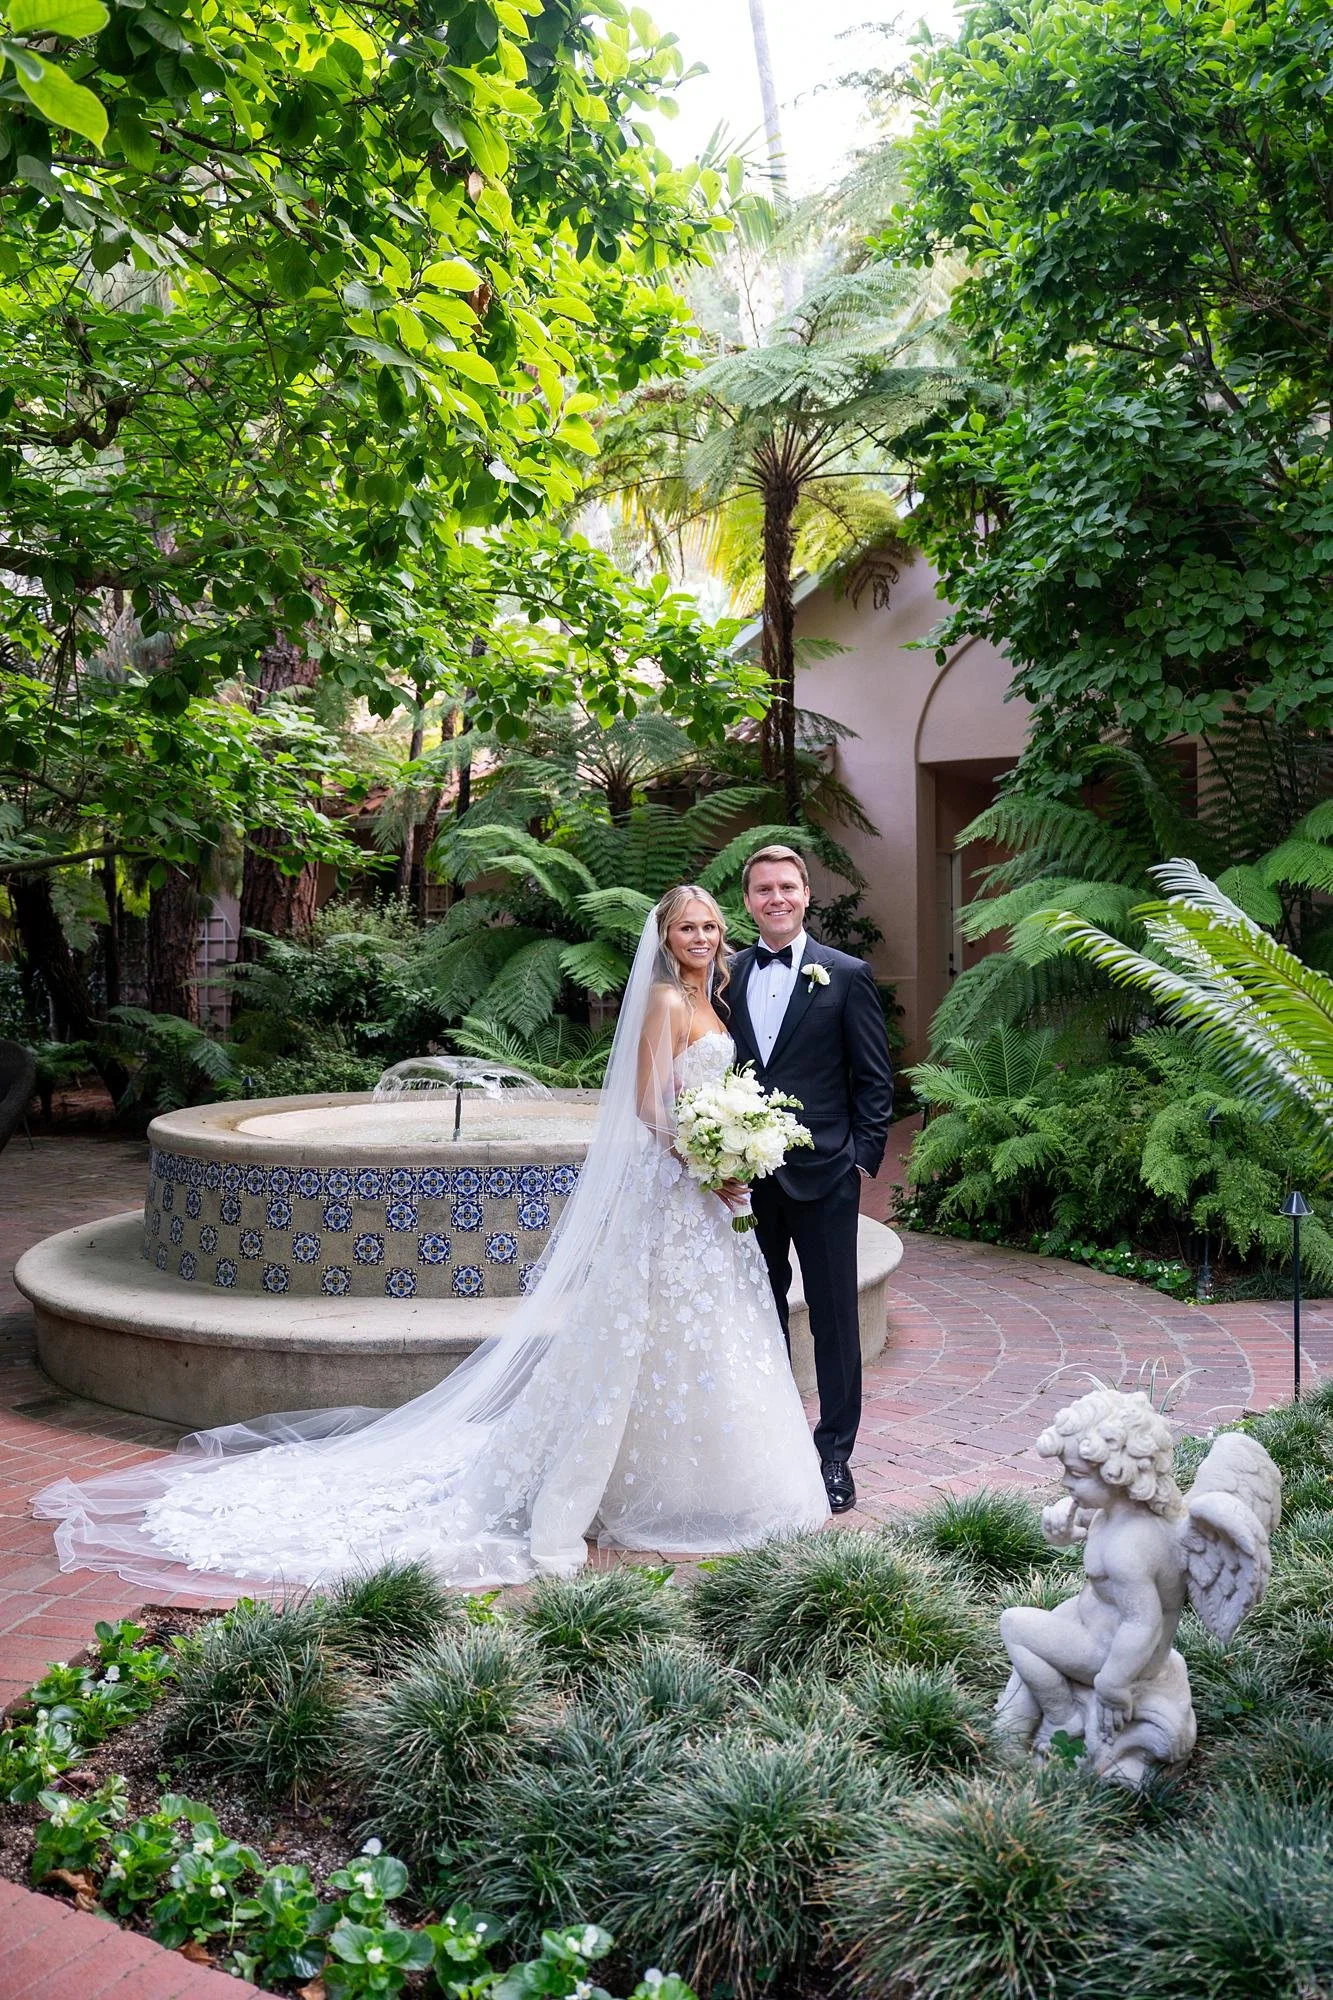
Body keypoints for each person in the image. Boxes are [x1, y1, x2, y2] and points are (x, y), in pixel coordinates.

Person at [32, 886, 829, 1595]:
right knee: (640, 1336)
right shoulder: (661, 1003)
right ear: (663, 937)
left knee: (703, 1339)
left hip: (703, 1203)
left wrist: (732, 1156)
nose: (699, 937)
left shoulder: (712, 1000)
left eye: (708, 927)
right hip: (674, 1192)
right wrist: (705, 1160)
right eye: (687, 927)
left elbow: (710, 1098)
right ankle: (611, 1483)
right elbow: (646, 1108)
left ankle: (696, 1482)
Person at [728, 845, 893, 1515]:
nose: (776, 897)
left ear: (805, 895)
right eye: (763, 888)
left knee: (832, 1320)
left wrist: (860, 1158)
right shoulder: (725, 972)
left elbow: (874, 1078)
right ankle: (767, 1450)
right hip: (743, 1177)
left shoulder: (845, 975)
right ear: (747, 900)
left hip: (826, 1172)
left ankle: (833, 1456)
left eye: (787, 886)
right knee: (757, 1315)